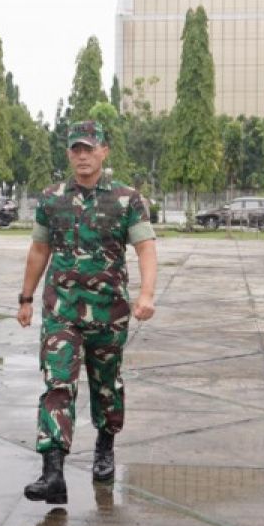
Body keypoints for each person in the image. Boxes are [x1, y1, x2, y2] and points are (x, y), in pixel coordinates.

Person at [16, 121, 157, 505]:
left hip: (109, 312)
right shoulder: (51, 198)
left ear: (103, 151)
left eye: (88, 148)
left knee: (106, 384)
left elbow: (145, 248)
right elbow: (39, 251)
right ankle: (53, 471)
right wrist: (26, 297)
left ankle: (105, 445)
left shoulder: (127, 199)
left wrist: (146, 293)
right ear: (68, 154)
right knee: (57, 383)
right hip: (61, 310)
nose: (82, 155)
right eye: (76, 149)